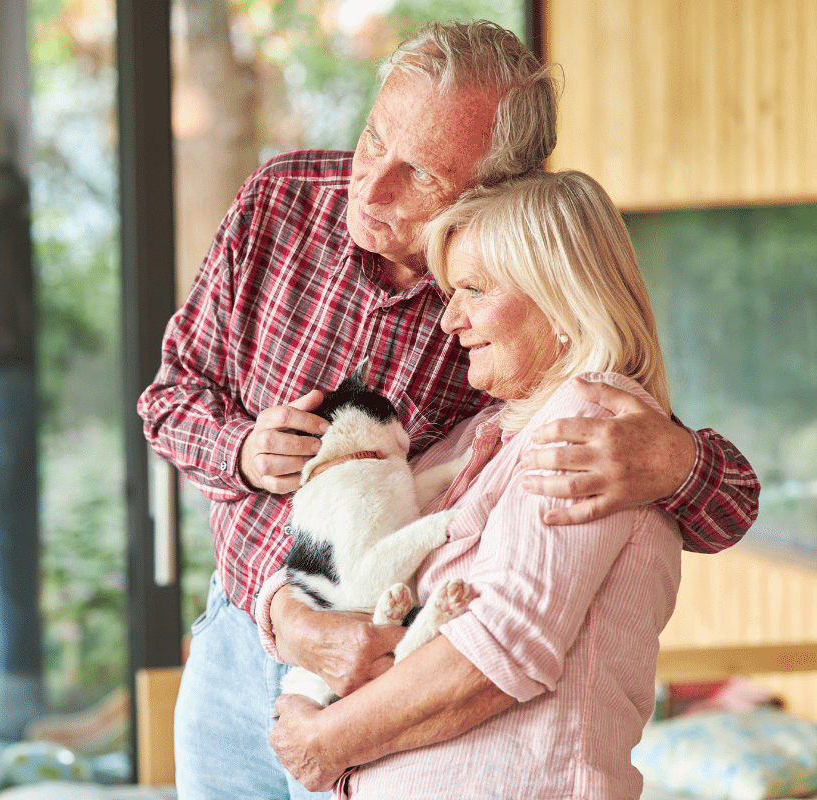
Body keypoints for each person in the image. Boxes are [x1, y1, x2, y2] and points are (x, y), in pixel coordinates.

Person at [137, 20, 759, 800]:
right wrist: (241, 457)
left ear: (497, 188)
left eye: (420, 173)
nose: (371, 187)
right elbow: (168, 399)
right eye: (373, 139)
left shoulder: (515, 295)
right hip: (243, 631)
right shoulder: (281, 201)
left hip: (383, 672)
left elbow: (703, 499)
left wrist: (673, 459)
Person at [262, 169, 688, 798]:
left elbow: (497, 652)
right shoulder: (479, 435)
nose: (449, 320)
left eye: (474, 290)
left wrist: (320, 742)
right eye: (450, 292)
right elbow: (339, 558)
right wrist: (290, 617)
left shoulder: (593, 428)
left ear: (561, 297)